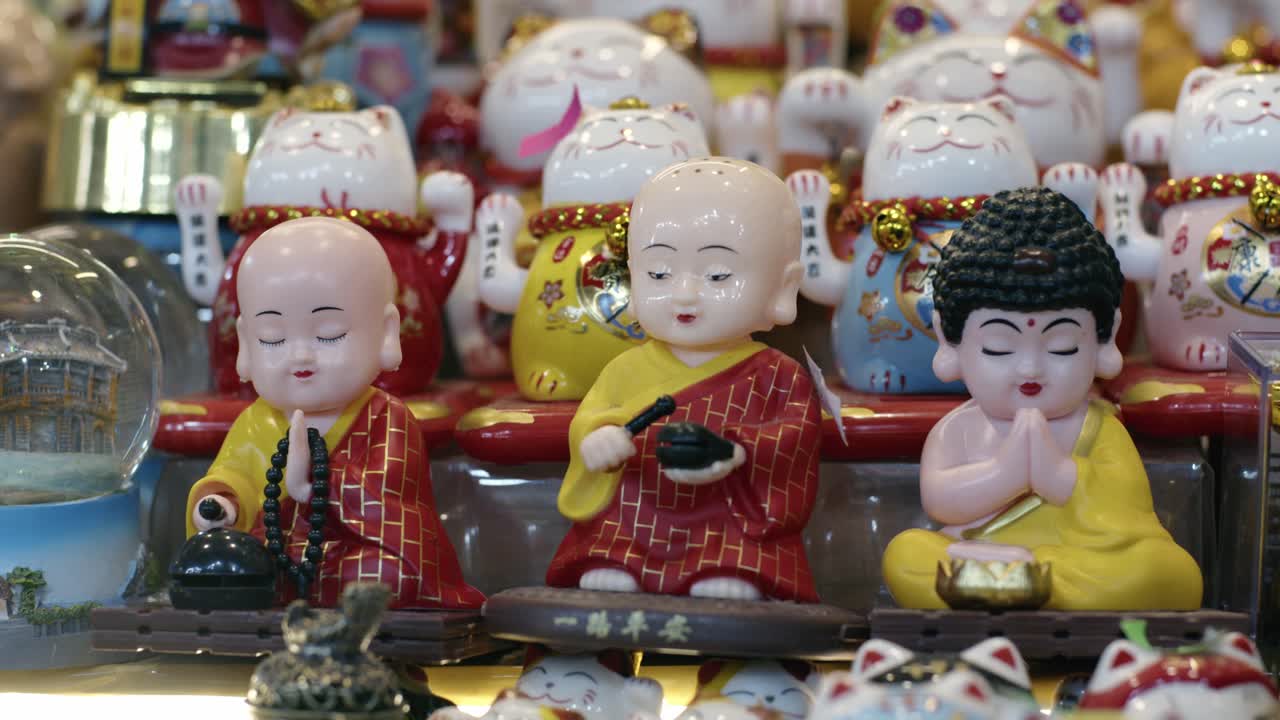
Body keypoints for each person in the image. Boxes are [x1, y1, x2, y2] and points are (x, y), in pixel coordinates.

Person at [881, 187, 1203, 611]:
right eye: (999, 347)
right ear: (950, 341)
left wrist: (1056, 474)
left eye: (1062, 347)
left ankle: (1024, 584)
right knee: (906, 554)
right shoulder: (959, 429)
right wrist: (1006, 472)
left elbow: (1126, 516)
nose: (1030, 369)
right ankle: (1031, 586)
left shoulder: (1099, 428)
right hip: (978, 550)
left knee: (1162, 569)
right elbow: (941, 500)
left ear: (1104, 342)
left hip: (1073, 559)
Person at [545, 157, 822, 602]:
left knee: (733, 568)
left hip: (727, 525)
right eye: (658, 274)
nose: (684, 293)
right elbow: (591, 418)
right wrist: (597, 439)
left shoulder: (778, 376)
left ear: (783, 289)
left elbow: (791, 443)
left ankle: (728, 573)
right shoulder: (626, 368)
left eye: (717, 275)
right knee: (610, 556)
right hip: (634, 519)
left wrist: (734, 452)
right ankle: (617, 563)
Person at [186, 216, 483, 610]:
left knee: (385, 578)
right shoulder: (258, 421)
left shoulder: (386, 417)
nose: (300, 354)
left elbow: (391, 504)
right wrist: (221, 504)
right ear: (244, 344)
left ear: (387, 334)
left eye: (328, 333)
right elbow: (232, 476)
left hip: (356, 552)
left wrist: (312, 484)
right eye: (272, 338)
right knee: (225, 566)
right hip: (272, 552)